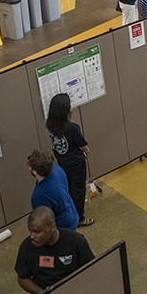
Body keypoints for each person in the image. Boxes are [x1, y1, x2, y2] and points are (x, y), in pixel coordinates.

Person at [15, 206, 95, 294]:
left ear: (52, 227)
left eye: (36, 232)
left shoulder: (76, 241)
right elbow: (22, 278)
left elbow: (92, 271)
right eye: (30, 231)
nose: (32, 236)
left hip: (76, 292)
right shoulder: (26, 247)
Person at [46, 93, 93, 228]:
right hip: (76, 164)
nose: (71, 106)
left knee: (69, 188)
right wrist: (86, 151)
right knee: (78, 190)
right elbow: (83, 146)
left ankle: (70, 213)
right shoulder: (72, 128)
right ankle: (80, 219)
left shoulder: (50, 124)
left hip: (62, 162)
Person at [27, 150, 79, 231]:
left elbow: (43, 219)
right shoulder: (56, 168)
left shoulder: (40, 195)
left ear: (34, 171)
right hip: (72, 213)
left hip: (62, 226)